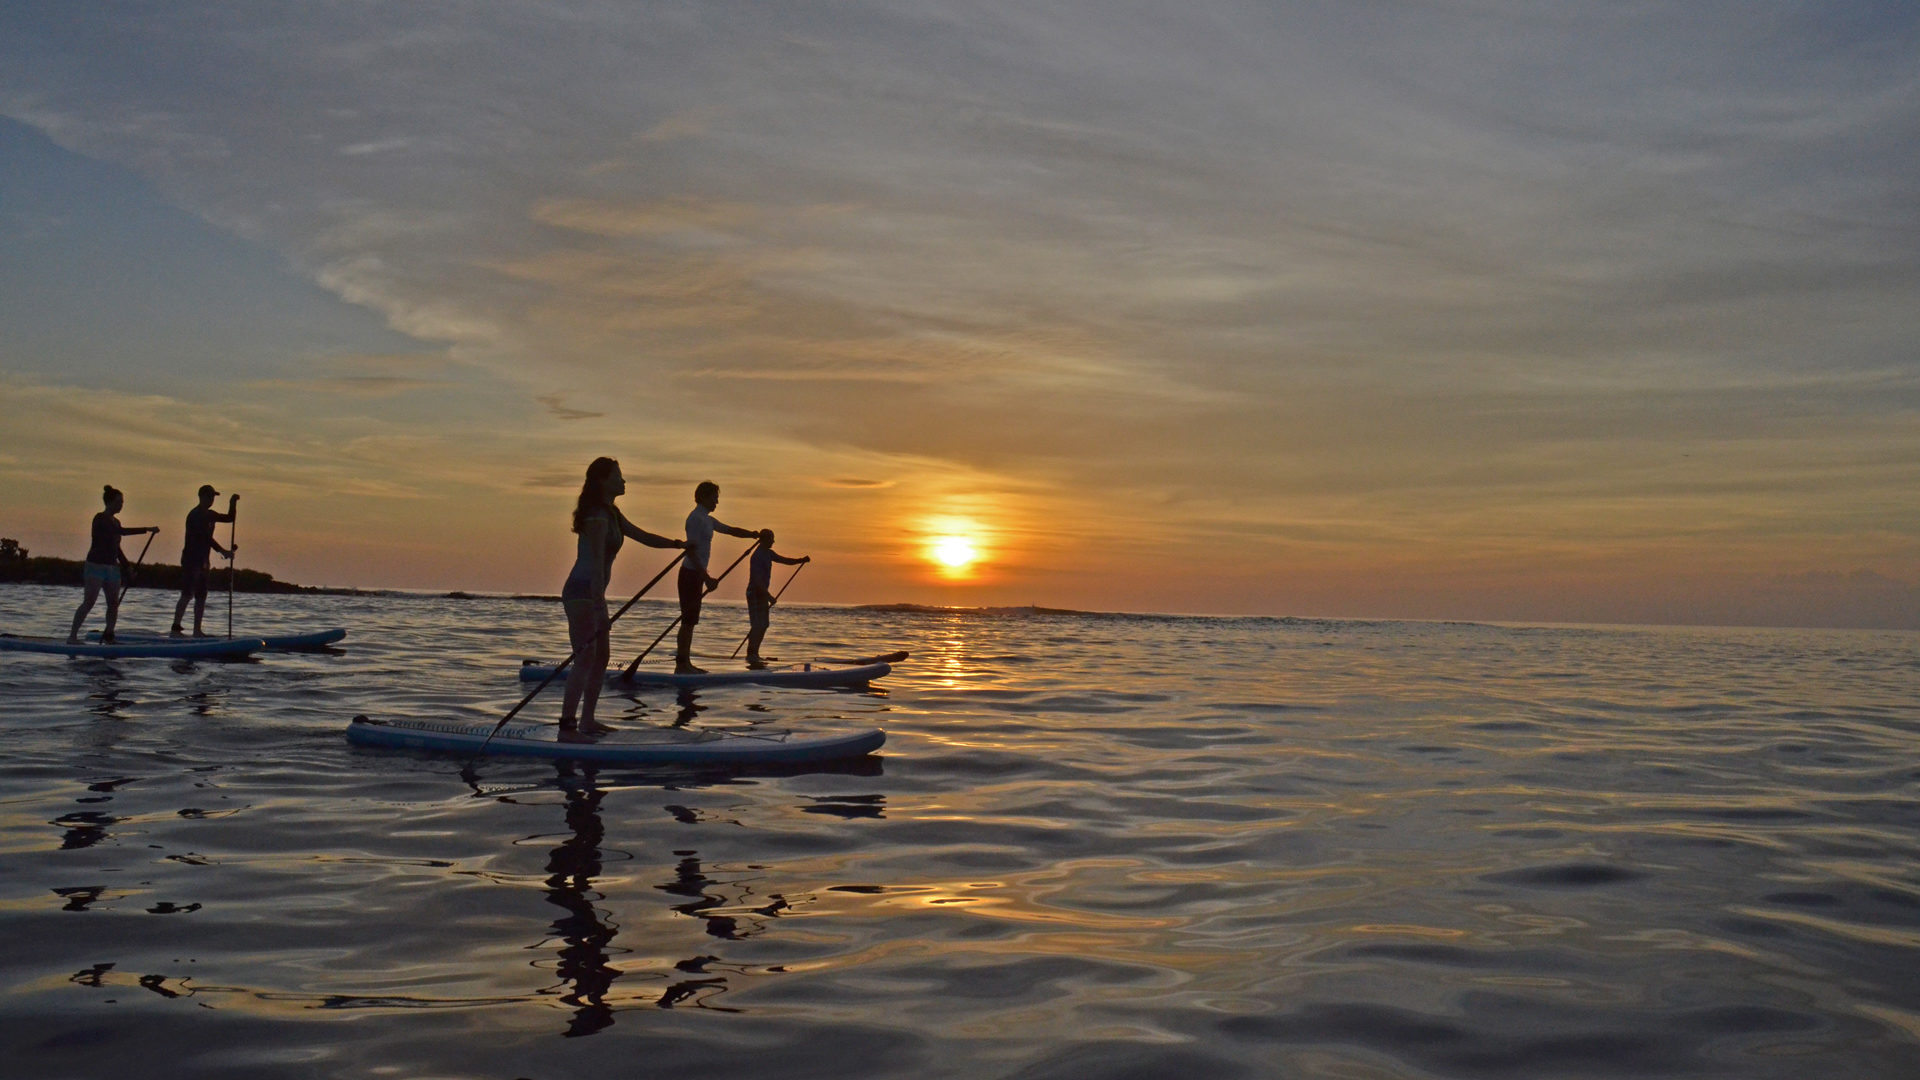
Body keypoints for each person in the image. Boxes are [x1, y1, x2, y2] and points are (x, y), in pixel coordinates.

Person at [561, 457, 685, 736]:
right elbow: (595, 563)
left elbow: (643, 536)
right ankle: (567, 727)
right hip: (582, 592)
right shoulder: (596, 515)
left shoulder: (613, 513)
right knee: (585, 658)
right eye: (618, 476)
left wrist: (678, 544)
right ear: (603, 481)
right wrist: (598, 607)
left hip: (595, 594)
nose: (624, 480)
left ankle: (587, 721)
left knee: (601, 657)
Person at [675, 481, 759, 674]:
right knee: (688, 621)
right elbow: (691, 552)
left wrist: (752, 535)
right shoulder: (695, 519)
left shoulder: (708, 520)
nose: (717, 502)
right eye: (714, 498)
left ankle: (686, 663)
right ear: (703, 497)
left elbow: (731, 530)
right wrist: (706, 578)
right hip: (690, 573)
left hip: (697, 574)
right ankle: (681, 664)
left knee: (691, 621)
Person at [67, 485, 159, 644]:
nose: (121, 505)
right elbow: (120, 532)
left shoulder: (116, 521)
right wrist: (146, 529)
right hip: (95, 566)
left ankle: (109, 635)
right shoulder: (100, 519)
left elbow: (117, 548)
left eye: (122, 502)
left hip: (112, 568)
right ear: (109, 502)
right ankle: (72, 637)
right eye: (118, 502)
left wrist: (128, 568)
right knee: (89, 602)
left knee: (113, 603)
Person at [170, 485, 238, 637]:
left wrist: (232, 503)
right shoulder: (195, 515)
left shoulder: (211, 514)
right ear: (201, 497)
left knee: (201, 595)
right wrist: (223, 551)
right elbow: (205, 537)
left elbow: (230, 518)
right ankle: (175, 629)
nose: (212, 499)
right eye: (209, 496)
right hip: (191, 559)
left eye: (213, 497)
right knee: (187, 594)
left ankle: (197, 630)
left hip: (204, 561)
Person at [744, 529, 808, 667]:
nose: (773, 541)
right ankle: (751, 654)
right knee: (757, 624)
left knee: (764, 624)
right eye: (771, 538)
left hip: (762, 593)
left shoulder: (769, 553)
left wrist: (800, 560)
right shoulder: (757, 556)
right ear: (764, 539)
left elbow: (785, 560)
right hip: (754, 593)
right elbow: (756, 580)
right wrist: (768, 596)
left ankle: (755, 653)